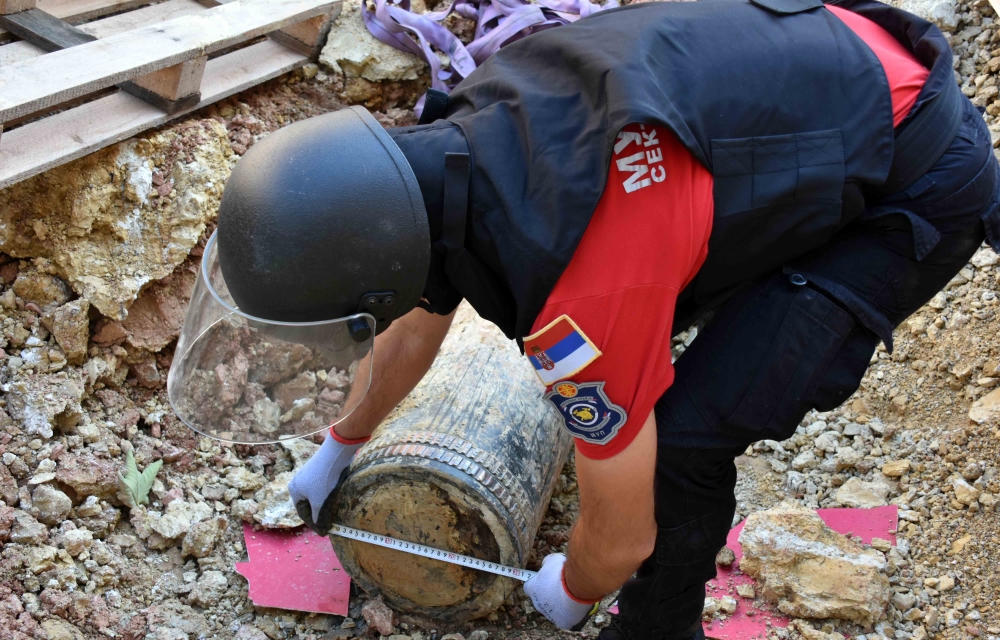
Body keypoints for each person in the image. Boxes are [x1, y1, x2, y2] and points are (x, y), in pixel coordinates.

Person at [184, 0, 1000, 637]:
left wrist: (573, 586)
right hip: (812, 85)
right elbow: (422, 308)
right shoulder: (450, 141)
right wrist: (342, 444)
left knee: (683, 443)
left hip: (911, 172)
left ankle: (657, 630)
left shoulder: (584, 298)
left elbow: (622, 537)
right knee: (658, 349)